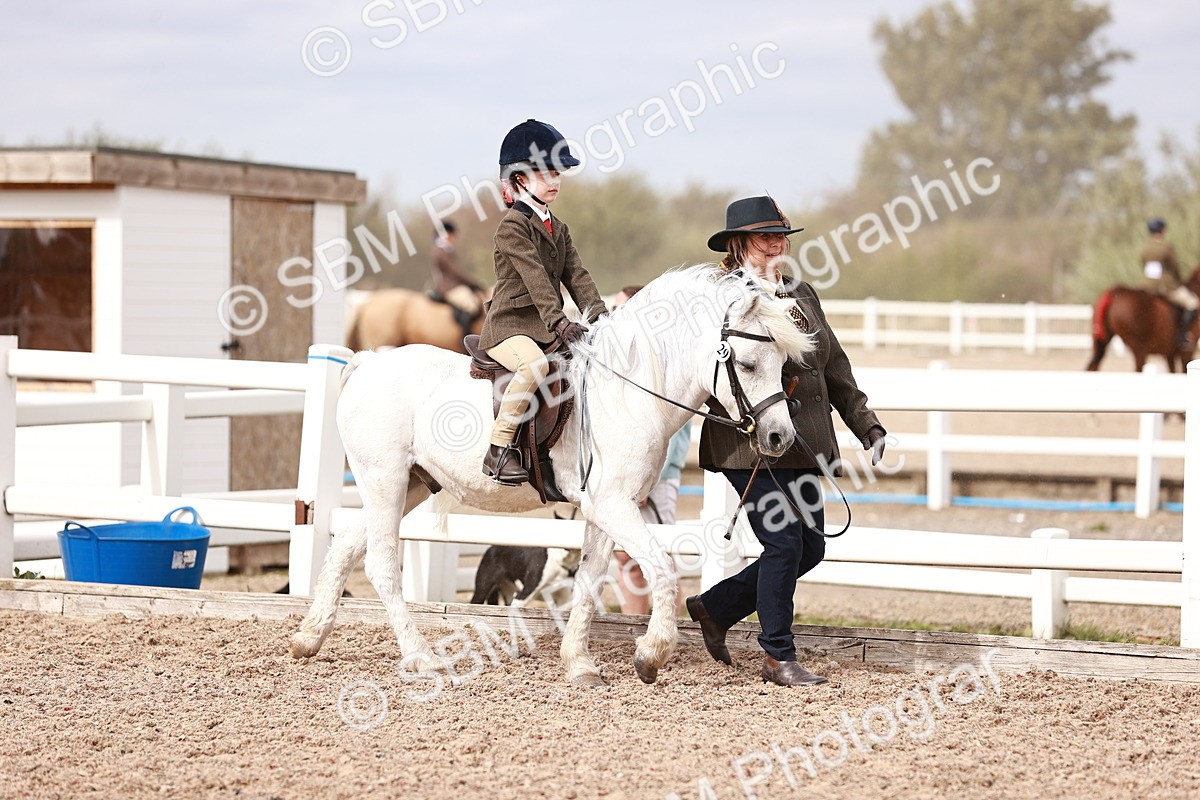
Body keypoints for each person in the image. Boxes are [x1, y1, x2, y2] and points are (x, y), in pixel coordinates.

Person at [685, 195, 887, 687]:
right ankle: (778, 655)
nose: (776, 244)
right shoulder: (723, 295)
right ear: (739, 244)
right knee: (782, 542)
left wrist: (866, 424)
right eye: (764, 236)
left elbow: (833, 364)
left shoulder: (801, 293)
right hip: (749, 443)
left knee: (810, 547)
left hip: (803, 442)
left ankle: (715, 608)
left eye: (781, 235)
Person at [478, 119, 606, 485]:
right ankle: (499, 449)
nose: (554, 182)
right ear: (519, 179)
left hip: (544, 326)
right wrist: (560, 321)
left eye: (557, 174)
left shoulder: (559, 228)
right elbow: (536, 279)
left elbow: (577, 275)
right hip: (510, 327)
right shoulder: (511, 227)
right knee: (534, 365)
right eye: (544, 174)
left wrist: (600, 317)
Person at [608, 284, 689, 615]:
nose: (614, 317)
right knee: (626, 554)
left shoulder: (663, 365)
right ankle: (635, 623)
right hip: (630, 472)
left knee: (653, 553)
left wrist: (646, 478)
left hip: (656, 474)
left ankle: (663, 620)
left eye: (620, 310)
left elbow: (672, 431)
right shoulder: (624, 363)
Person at [1141, 217, 1198, 350]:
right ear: (1162, 230)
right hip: (1165, 286)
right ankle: (1183, 334)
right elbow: (1173, 267)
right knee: (1192, 303)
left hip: (1146, 285)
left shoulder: (1145, 248)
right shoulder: (1165, 247)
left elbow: (1143, 264)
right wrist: (1178, 280)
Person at [430, 220, 484, 336]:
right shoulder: (441, 251)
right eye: (453, 235)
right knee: (471, 305)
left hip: (454, 285)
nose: (454, 238)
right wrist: (473, 283)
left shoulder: (446, 250)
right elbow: (455, 272)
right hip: (449, 287)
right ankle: (464, 338)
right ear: (448, 234)